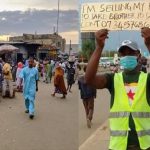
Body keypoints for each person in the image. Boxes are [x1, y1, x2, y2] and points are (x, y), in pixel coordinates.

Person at [85, 27, 150, 150]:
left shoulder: (147, 79)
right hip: (118, 147)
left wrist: (149, 44)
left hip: (145, 146)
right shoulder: (113, 79)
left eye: (131, 53)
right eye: (123, 54)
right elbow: (89, 79)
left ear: (138, 55)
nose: (127, 56)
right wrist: (99, 47)